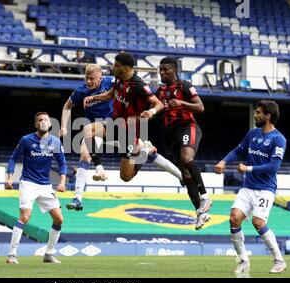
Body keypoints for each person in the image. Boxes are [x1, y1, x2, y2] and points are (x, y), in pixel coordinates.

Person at [84, 52, 183, 184]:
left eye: (116, 65)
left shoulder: (139, 85)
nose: (113, 67)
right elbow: (110, 95)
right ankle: (99, 168)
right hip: (114, 124)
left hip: (130, 133)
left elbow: (158, 104)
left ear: (126, 69)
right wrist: (94, 97)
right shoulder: (119, 79)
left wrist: (151, 112)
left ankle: (145, 152)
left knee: (126, 177)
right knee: (88, 129)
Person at [214, 100, 287, 274]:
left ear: (267, 116)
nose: (255, 115)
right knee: (234, 218)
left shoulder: (279, 139)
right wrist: (224, 161)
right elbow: (239, 150)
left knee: (258, 222)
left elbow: (273, 167)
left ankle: (279, 260)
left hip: (265, 189)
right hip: (248, 187)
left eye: (258, 112)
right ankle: (243, 261)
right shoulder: (252, 134)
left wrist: (248, 168)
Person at [156, 57, 212, 230]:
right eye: (160, 70)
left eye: (165, 69)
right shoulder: (160, 91)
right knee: (185, 176)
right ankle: (200, 213)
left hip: (188, 127)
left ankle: (205, 196)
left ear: (174, 70)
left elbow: (201, 107)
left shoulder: (185, 86)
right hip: (171, 134)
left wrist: (181, 103)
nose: (162, 72)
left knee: (187, 158)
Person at [5, 112, 67, 264]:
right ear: (36, 124)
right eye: (40, 120)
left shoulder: (55, 142)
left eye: (46, 120)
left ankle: (49, 254)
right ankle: (11, 255)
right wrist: (10, 176)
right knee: (25, 216)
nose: (43, 122)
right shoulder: (26, 140)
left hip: (45, 185)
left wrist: (62, 182)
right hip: (28, 183)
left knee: (59, 219)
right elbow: (13, 158)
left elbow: (62, 163)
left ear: (50, 124)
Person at [60, 64, 114, 211]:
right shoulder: (80, 90)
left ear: (100, 78)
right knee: (84, 156)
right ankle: (77, 198)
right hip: (94, 130)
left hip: (114, 123)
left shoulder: (109, 82)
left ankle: (99, 168)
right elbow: (67, 107)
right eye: (87, 78)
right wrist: (63, 126)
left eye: (92, 79)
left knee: (142, 150)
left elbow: (127, 83)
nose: (89, 82)